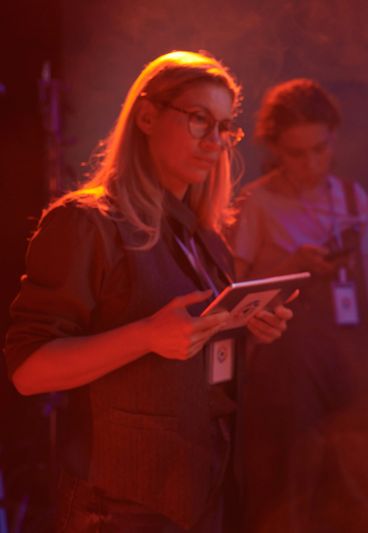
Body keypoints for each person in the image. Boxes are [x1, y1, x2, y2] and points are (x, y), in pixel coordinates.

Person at [4, 51, 293, 532]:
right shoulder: (86, 223)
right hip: (120, 508)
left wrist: (245, 325)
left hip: (205, 492)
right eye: (200, 120)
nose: (215, 142)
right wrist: (145, 336)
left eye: (224, 128)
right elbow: (28, 372)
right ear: (146, 115)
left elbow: (197, 359)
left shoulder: (205, 237)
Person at [228, 78, 368, 533]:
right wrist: (290, 266)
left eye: (319, 150)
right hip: (283, 359)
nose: (310, 164)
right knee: (287, 485)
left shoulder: (350, 197)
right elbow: (231, 294)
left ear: (333, 140)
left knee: (360, 475)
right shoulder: (258, 203)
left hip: (344, 350)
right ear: (275, 149)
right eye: (296, 154)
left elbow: (362, 287)